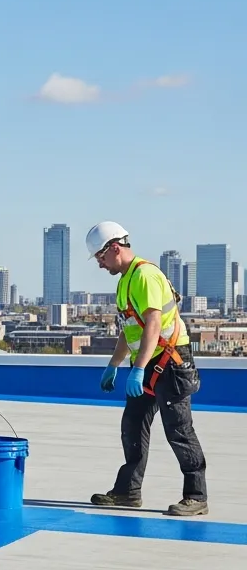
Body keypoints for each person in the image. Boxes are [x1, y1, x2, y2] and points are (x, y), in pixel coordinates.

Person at [85, 221, 207, 516]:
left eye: (100, 257)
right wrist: (114, 365)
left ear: (115, 248)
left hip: (170, 362)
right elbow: (131, 330)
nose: (100, 264)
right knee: (133, 425)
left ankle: (196, 496)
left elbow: (153, 324)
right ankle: (128, 492)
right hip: (149, 362)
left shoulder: (145, 275)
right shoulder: (124, 281)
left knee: (179, 429)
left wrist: (138, 370)